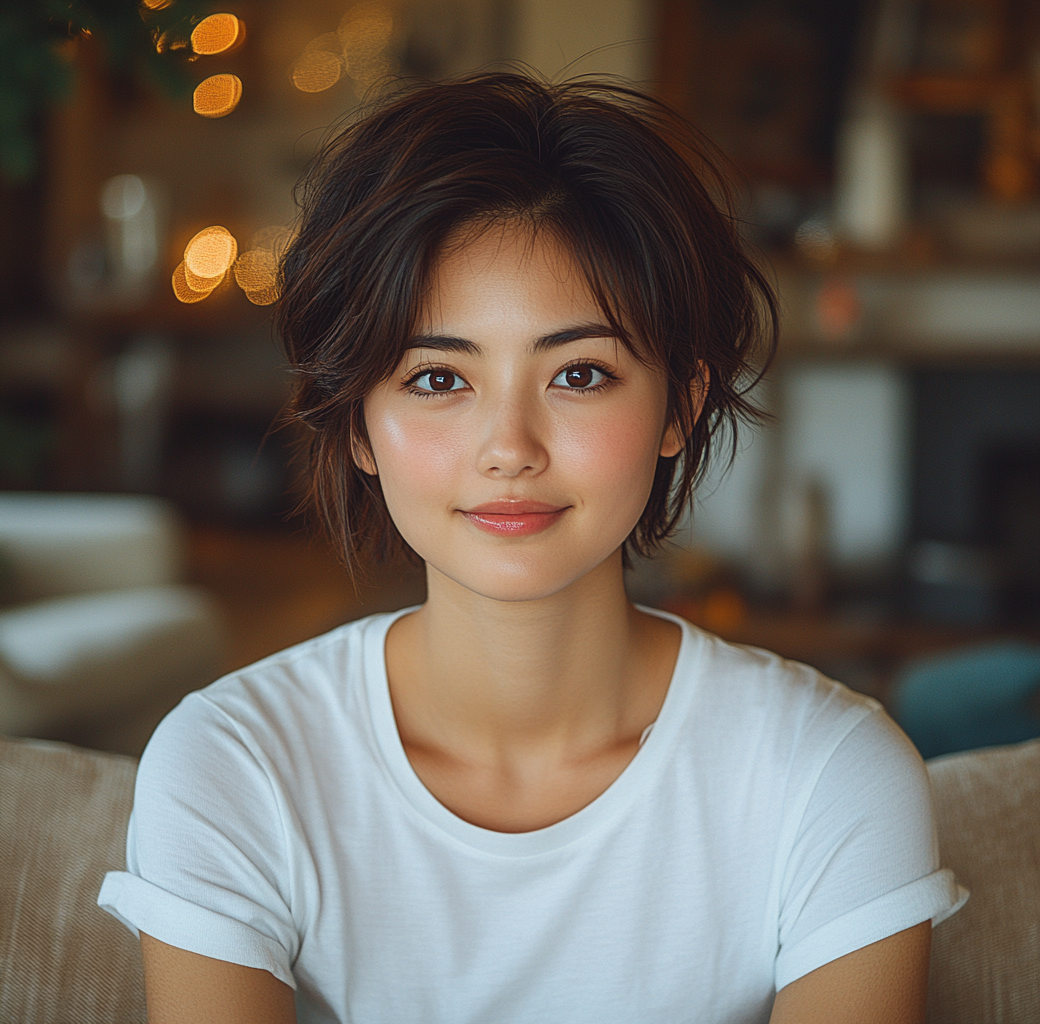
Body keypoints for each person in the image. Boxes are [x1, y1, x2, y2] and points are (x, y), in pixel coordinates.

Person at [98, 72, 965, 1023]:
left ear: (679, 405)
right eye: (437, 379)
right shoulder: (235, 767)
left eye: (580, 373)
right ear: (356, 427)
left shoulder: (831, 776)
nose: (510, 447)